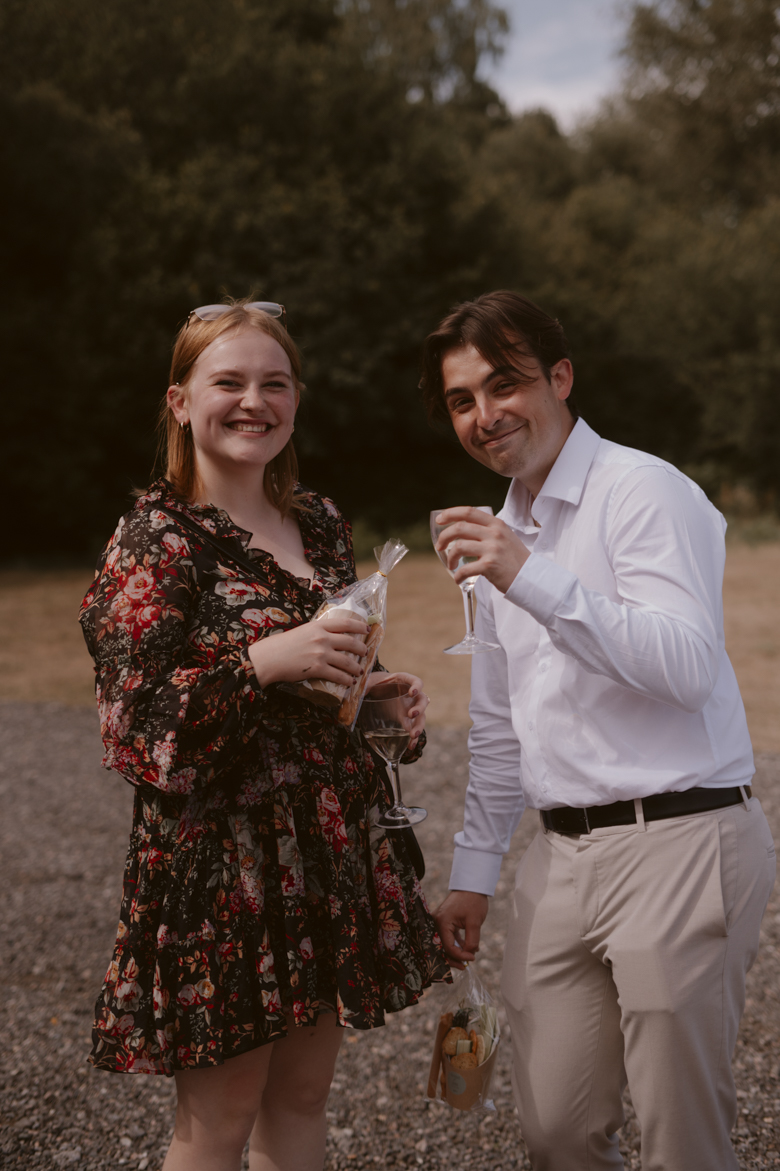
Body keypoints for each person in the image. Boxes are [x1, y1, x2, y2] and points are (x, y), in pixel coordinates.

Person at [79, 299, 449, 1171]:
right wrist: (264, 661)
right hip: (224, 867)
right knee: (220, 1119)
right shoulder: (156, 539)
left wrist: (378, 703)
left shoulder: (318, 522)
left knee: (303, 1099)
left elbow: (325, 692)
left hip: (322, 854)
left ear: (296, 399)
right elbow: (134, 728)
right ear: (180, 403)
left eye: (274, 383)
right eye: (230, 382)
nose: (255, 401)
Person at [420, 289, 776, 1171]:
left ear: (562, 377)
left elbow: (688, 665)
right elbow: (498, 726)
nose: (485, 414)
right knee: (556, 1131)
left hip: (682, 836)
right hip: (560, 859)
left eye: (504, 384)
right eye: (462, 399)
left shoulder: (644, 489)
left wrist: (531, 577)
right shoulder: (498, 532)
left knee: (682, 1143)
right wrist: (473, 872)